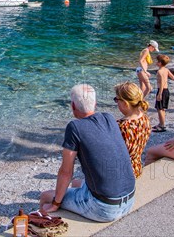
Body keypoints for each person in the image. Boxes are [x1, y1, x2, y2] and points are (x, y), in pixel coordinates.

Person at [39, 84, 136, 222]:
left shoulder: (74, 127)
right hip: (130, 200)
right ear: (95, 103)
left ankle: (41, 224)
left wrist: (55, 204)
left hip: (104, 209)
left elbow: (66, 172)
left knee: (45, 196)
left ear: (73, 106)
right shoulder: (109, 118)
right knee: (77, 183)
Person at [113, 82, 151, 178]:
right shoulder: (144, 118)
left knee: (77, 184)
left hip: (121, 174)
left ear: (125, 104)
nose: (116, 103)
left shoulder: (121, 126)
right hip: (136, 169)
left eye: (116, 100)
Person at [152, 54, 174, 132]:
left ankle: (162, 125)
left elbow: (162, 83)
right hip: (166, 90)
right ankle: (161, 123)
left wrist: (159, 94)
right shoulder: (166, 69)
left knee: (160, 109)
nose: (156, 62)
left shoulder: (160, 71)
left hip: (161, 90)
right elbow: (173, 78)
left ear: (160, 63)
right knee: (162, 108)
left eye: (157, 61)